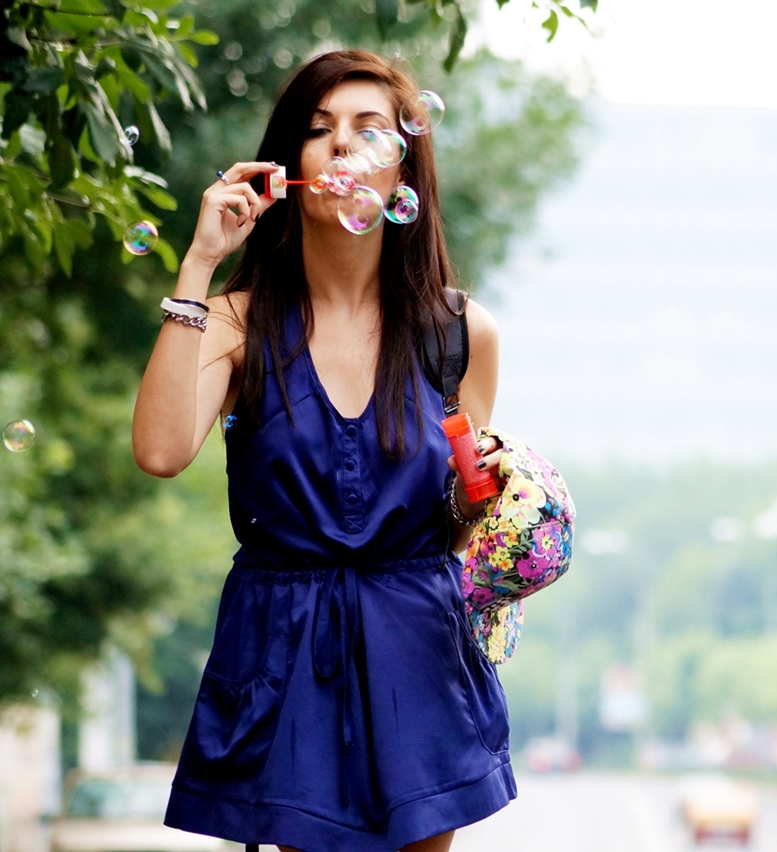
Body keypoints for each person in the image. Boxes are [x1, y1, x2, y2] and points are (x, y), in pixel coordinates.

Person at [132, 50, 514, 852]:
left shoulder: (459, 333)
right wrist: (199, 264)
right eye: (318, 129)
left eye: (368, 130)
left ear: (403, 169)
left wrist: (483, 493)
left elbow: (458, 526)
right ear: (288, 165)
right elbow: (161, 451)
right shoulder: (235, 322)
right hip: (285, 649)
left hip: (417, 649)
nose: (341, 144)